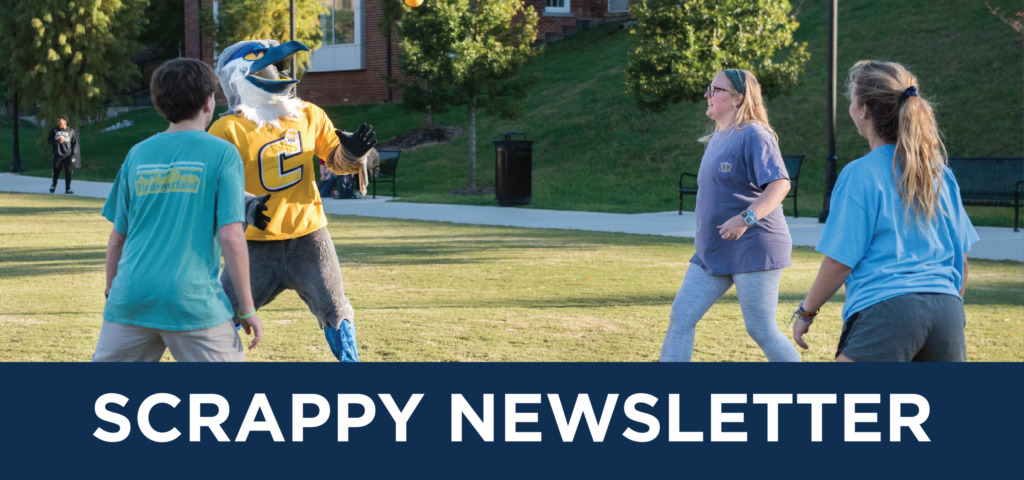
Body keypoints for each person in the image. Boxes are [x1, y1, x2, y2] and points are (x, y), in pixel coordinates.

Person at [791, 61, 978, 362]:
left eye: (852, 100)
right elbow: (962, 262)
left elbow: (840, 261)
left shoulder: (860, 174)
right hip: (948, 311)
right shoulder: (941, 173)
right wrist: (948, 311)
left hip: (889, 310)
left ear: (864, 109)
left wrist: (806, 311)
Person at [93, 58, 264, 362]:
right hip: (193, 301)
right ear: (208, 102)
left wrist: (111, 294)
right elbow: (231, 237)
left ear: (160, 103)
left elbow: (118, 239)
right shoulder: (223, 153)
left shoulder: (137, 154)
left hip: (130, 299)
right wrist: (247, 308)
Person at [660, 69, 801, 363]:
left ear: (737, 98)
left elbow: (780, 184)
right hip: (713, 250)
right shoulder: (718, 137)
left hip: (754, 247)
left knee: (761, 330)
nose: (707, 94)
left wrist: (746, 218)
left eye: (715, 89)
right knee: (682, 316)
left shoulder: (755, 134)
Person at [47, 115, 78, 194]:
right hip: (58, 154)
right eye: (57, 121)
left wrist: (73, 154)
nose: (58, 123)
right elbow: (49, 140)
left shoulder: (71, 131)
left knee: (68, 170)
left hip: (68, 155)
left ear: (65, 122)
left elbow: (74, 143)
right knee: (56, 170)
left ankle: (68, 189)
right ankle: (54, 184)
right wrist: (56, 141)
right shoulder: (55, 130)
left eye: (60, 121)